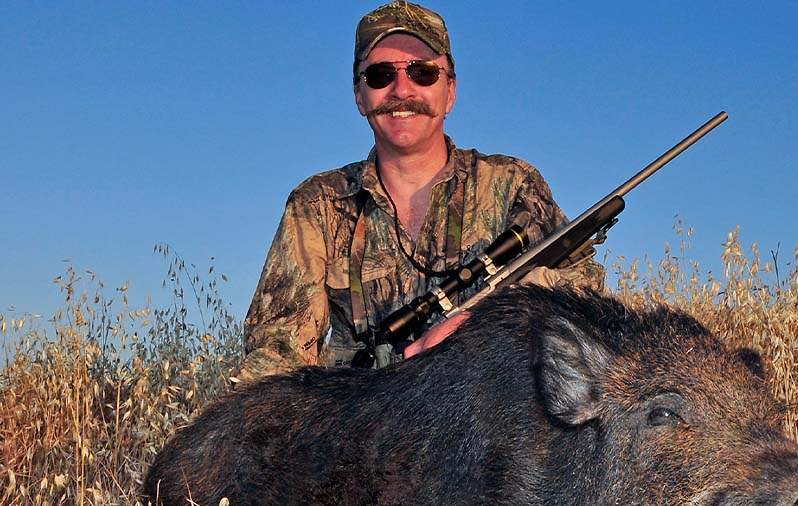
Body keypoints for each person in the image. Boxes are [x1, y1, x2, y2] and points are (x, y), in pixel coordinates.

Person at [234, 1, 604, 383]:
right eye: (379, 75)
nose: (401, 89)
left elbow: (585, 293)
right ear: (359, 95)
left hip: (490, 409)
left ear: (450, 91)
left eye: (423, 73)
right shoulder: (317, 205)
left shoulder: (513, 185)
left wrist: (480, 322)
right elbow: (277, 350)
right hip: (363, 410)